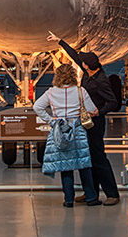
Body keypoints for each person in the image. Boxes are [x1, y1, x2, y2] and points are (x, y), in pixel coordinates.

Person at [48, 33, 121, 206]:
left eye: (83, 62)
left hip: (95, 124)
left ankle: (112, 193)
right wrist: (59, 41)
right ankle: (92, 193)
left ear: (87, 66)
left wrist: (98, 112)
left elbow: (114, 102)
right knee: (87, 158)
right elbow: (74, 55)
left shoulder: (101, 81)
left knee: (98, 159)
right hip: (86, 122)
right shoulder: (91, 71)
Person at [33, 64, 100, 207]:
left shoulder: (51, 92)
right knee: (84, 164)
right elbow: (93, 110)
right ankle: (91, 197)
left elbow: (37, 106)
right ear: (73, 76)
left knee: (65, 166)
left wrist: (51, 121)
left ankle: (68, 199)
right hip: (77, 129)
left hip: (59, 129)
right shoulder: (80, 91)